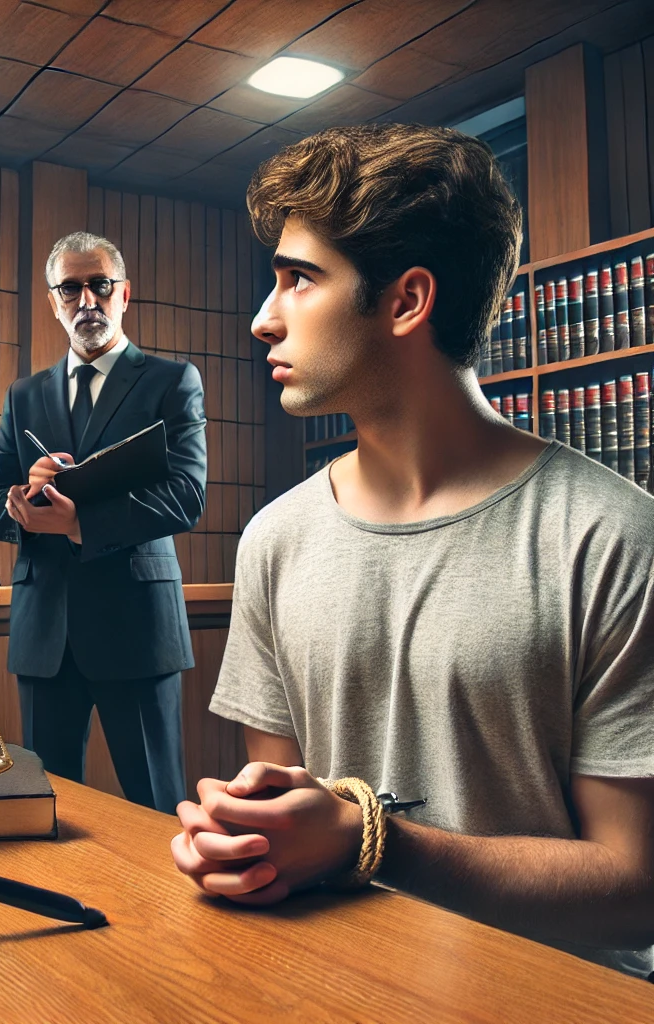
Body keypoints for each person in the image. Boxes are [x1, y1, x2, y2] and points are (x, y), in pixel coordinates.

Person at [171, 124, 654, 977]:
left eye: (298, 279)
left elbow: (636, 885)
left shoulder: (613, 539)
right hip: (335, 991)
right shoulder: (275, 540)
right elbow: (284, 822)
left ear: (405, 301)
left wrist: (374, 843)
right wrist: (240, 847)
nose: (262, 318)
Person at [0, 232, 206, 814]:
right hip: (44, 633)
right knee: (46, 808)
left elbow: (186, 496)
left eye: (99, 285)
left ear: (124, 293)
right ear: (53, 302)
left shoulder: (171, 382)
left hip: (138, 629)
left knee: (158, 808)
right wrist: (23, 501)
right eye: (70, 289)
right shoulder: (23, 395)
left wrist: (82, 524)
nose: (87, 301)